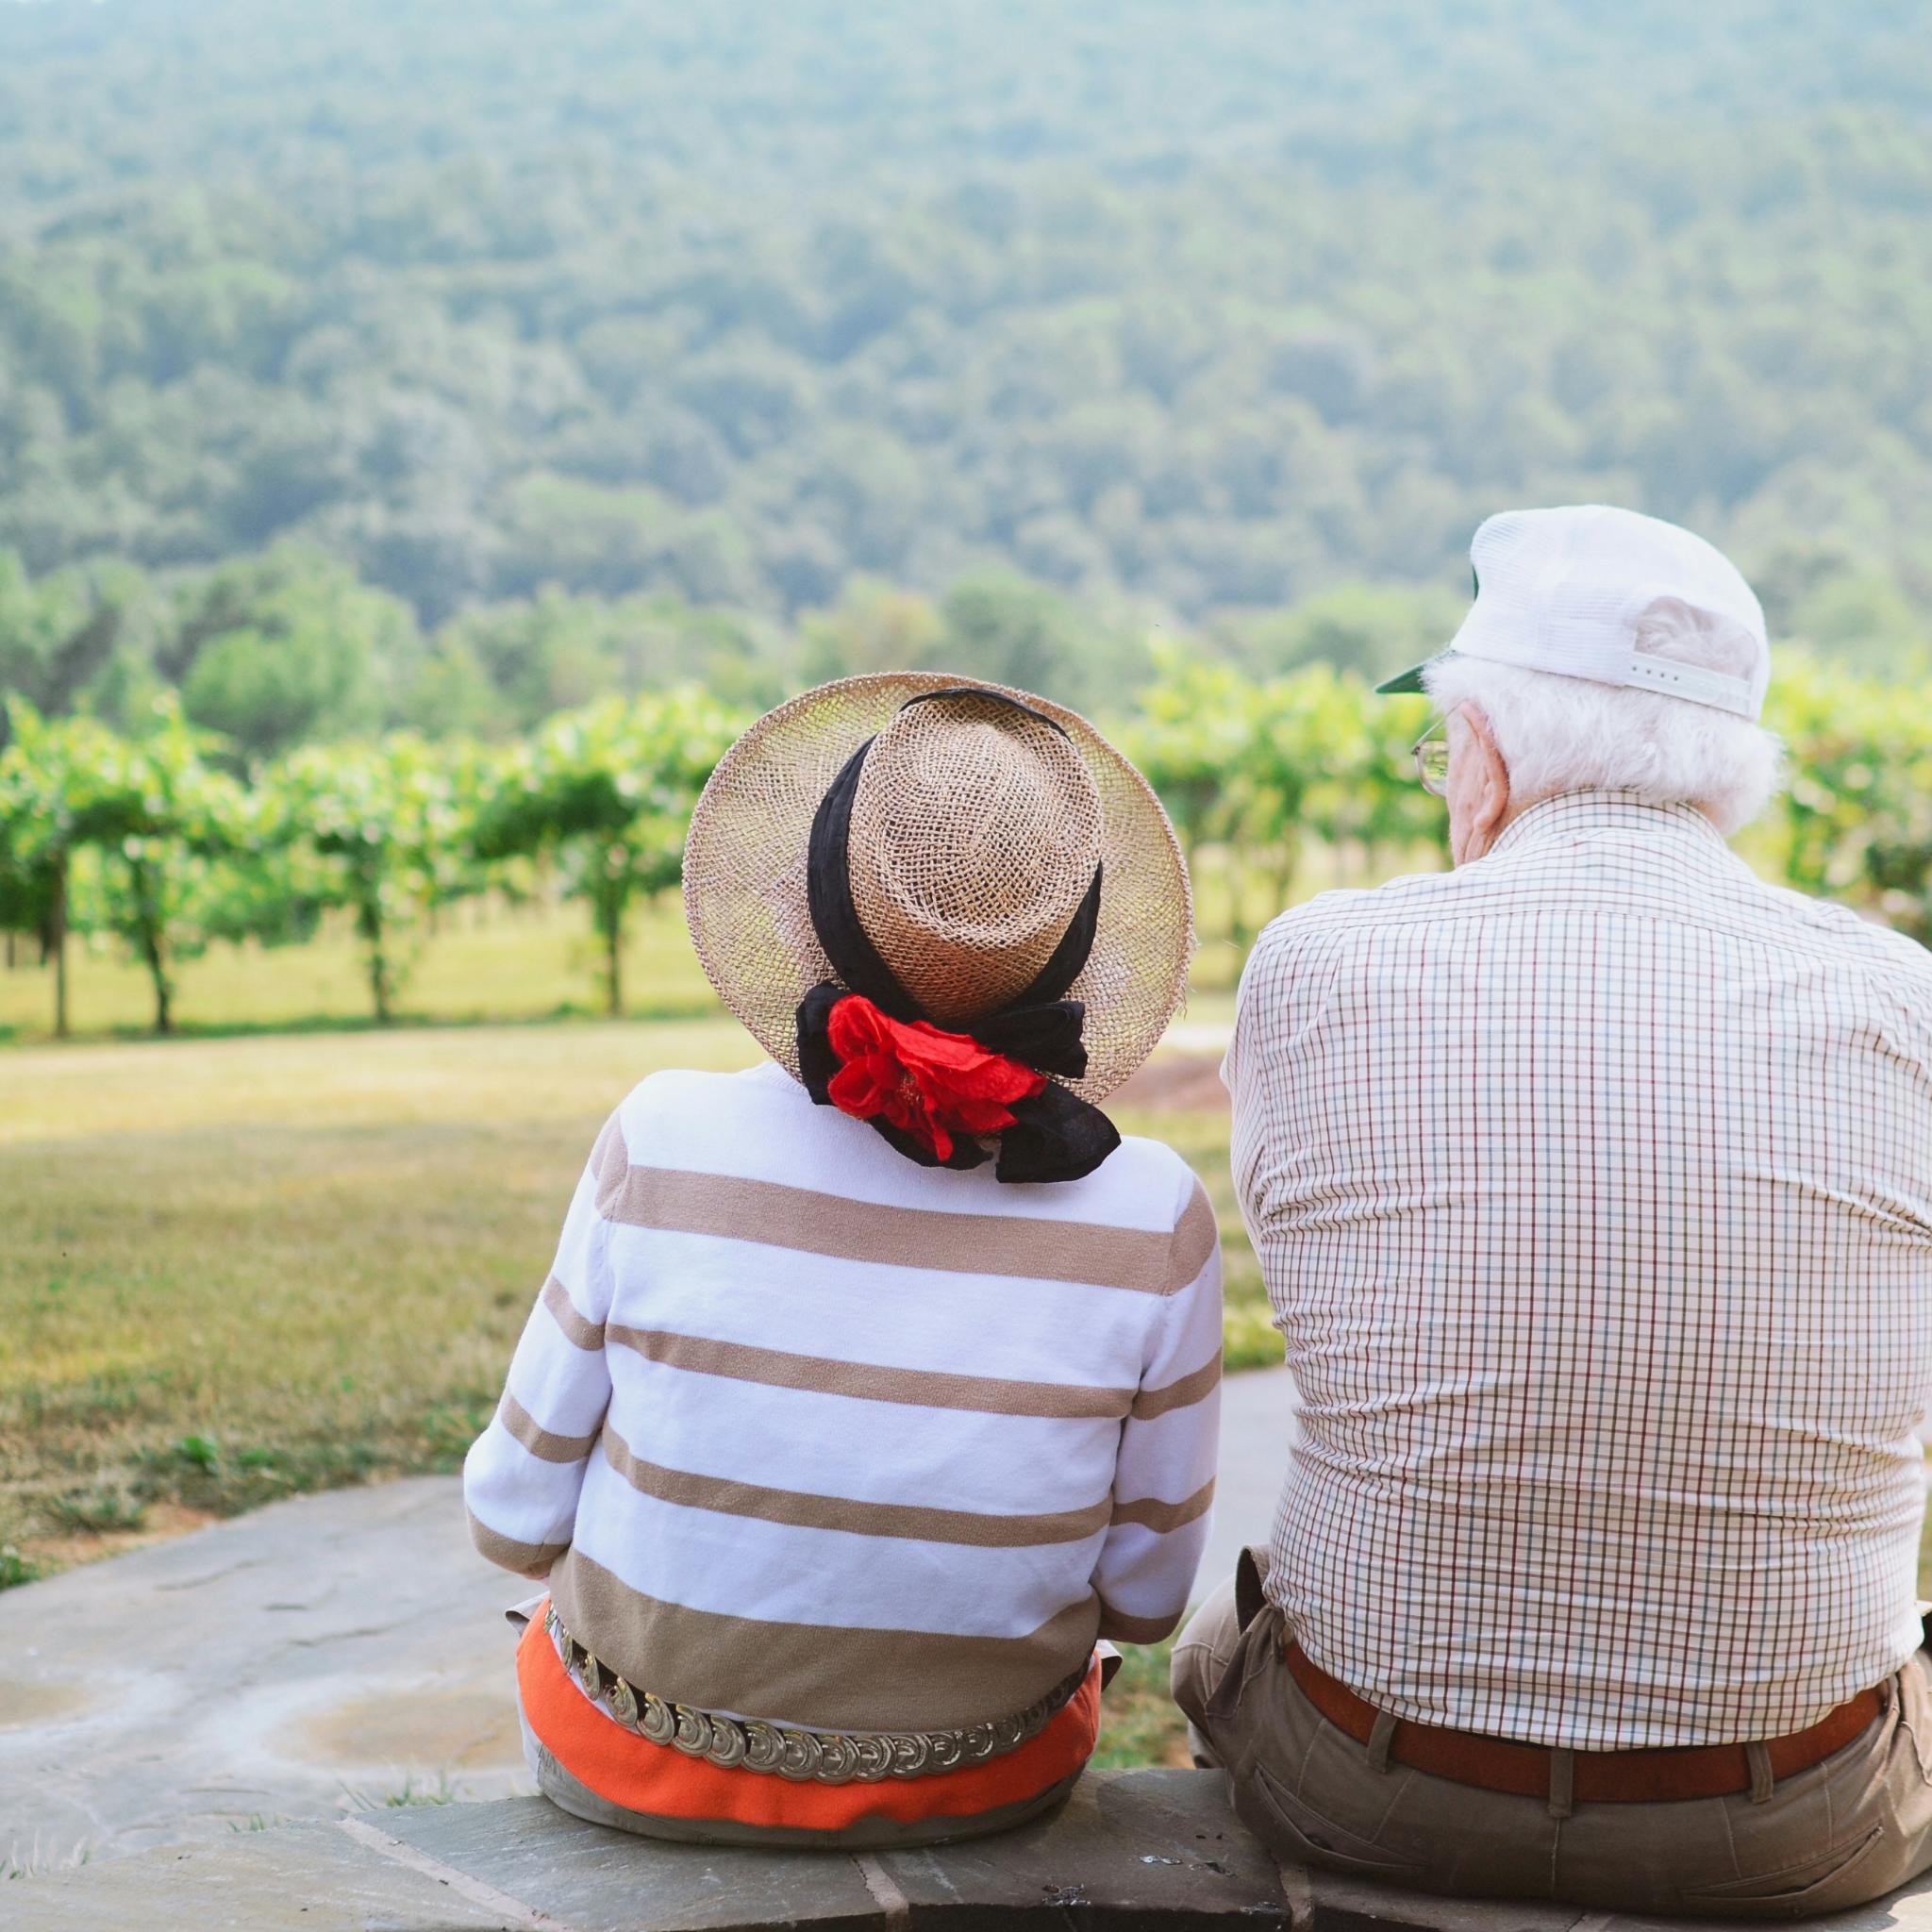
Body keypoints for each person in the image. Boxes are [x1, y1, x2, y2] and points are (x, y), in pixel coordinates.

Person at [1176, 506, 1932, 1916]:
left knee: (1220, 1642)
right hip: (1796, 1821)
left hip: (1369, 1785)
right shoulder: (1906, 1002)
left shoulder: (1320, 965)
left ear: (1489, 751)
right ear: (1732, 772)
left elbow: (1321, 1296)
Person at [465, 675, 1222, 1848]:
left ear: (809, 901)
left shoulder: (660, 1135)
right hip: (983, 1777)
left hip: (630, 1755)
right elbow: (1147, 1601)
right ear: (1069, 948)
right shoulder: (1149, 1210)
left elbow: (510, 1513)